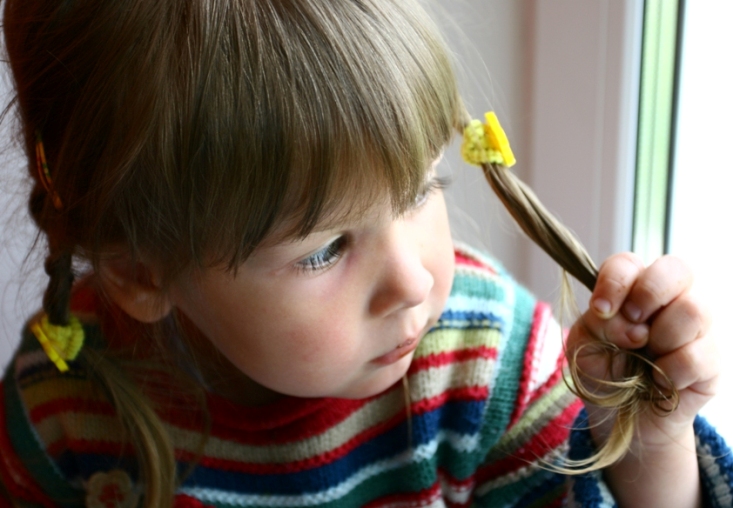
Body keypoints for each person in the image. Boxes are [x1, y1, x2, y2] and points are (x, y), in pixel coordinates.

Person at [0, 1, 728, 507]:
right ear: (138, 271)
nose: (412, 280)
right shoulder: (61, 408)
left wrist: (648, 449)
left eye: (420, 189)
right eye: (324, 250)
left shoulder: (486, 367)